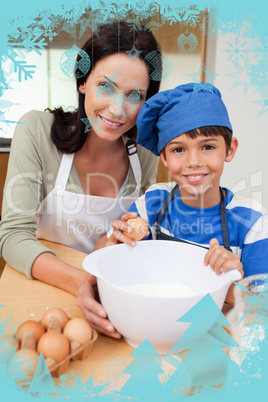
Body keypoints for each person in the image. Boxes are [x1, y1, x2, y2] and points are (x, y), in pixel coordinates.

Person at [0, 22, 162, 338]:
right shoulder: (36, 131)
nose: (117, 109)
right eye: (106, 85)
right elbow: (12, 237)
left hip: (108, 297)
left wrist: (128, 238)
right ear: (83, 81)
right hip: (45, 288)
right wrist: (83, 282)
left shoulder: (144, 151)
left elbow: (141, 232)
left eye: (134, 95)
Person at [99, 83, 268, 312]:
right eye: (178, 149)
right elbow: (103, 250)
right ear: (164, 158)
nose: (193, 162)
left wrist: (231, 282)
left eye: (207, 146)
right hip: (156, 322)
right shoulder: (153, 203)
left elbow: (262, 309)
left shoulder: (253, 222)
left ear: (229, 150)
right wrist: (115, 244)